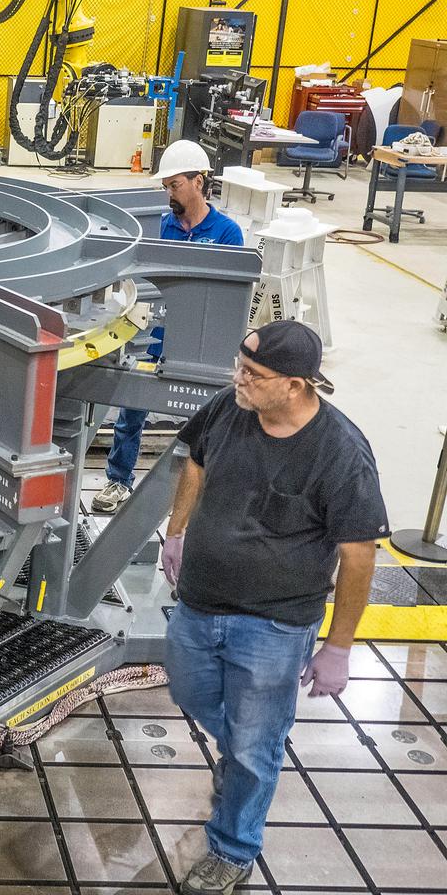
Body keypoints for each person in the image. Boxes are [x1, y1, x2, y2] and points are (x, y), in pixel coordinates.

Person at [161, 320, 389, 895]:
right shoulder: (229, 407)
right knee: (191, 694)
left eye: (253, 375)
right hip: (199, 603)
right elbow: (196, 458)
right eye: (240, 366)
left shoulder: (340, 453)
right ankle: (241, 760)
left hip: (274, 625)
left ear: (295, 385)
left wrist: (338, 647)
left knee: (253, 745)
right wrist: (177, 530)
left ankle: (233, 848)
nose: (239, 380)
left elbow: (359, 555)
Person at [92, 140, 246, 514]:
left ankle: (209, 492)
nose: (168, 194)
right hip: (157, 333)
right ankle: (118, 481)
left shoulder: (227, 233)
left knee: (210, 416)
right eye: (165, 187)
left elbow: (231, 295)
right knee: (133, 406)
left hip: (201, 341)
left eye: (174, 185)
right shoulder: (161, 226)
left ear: (198, 181)